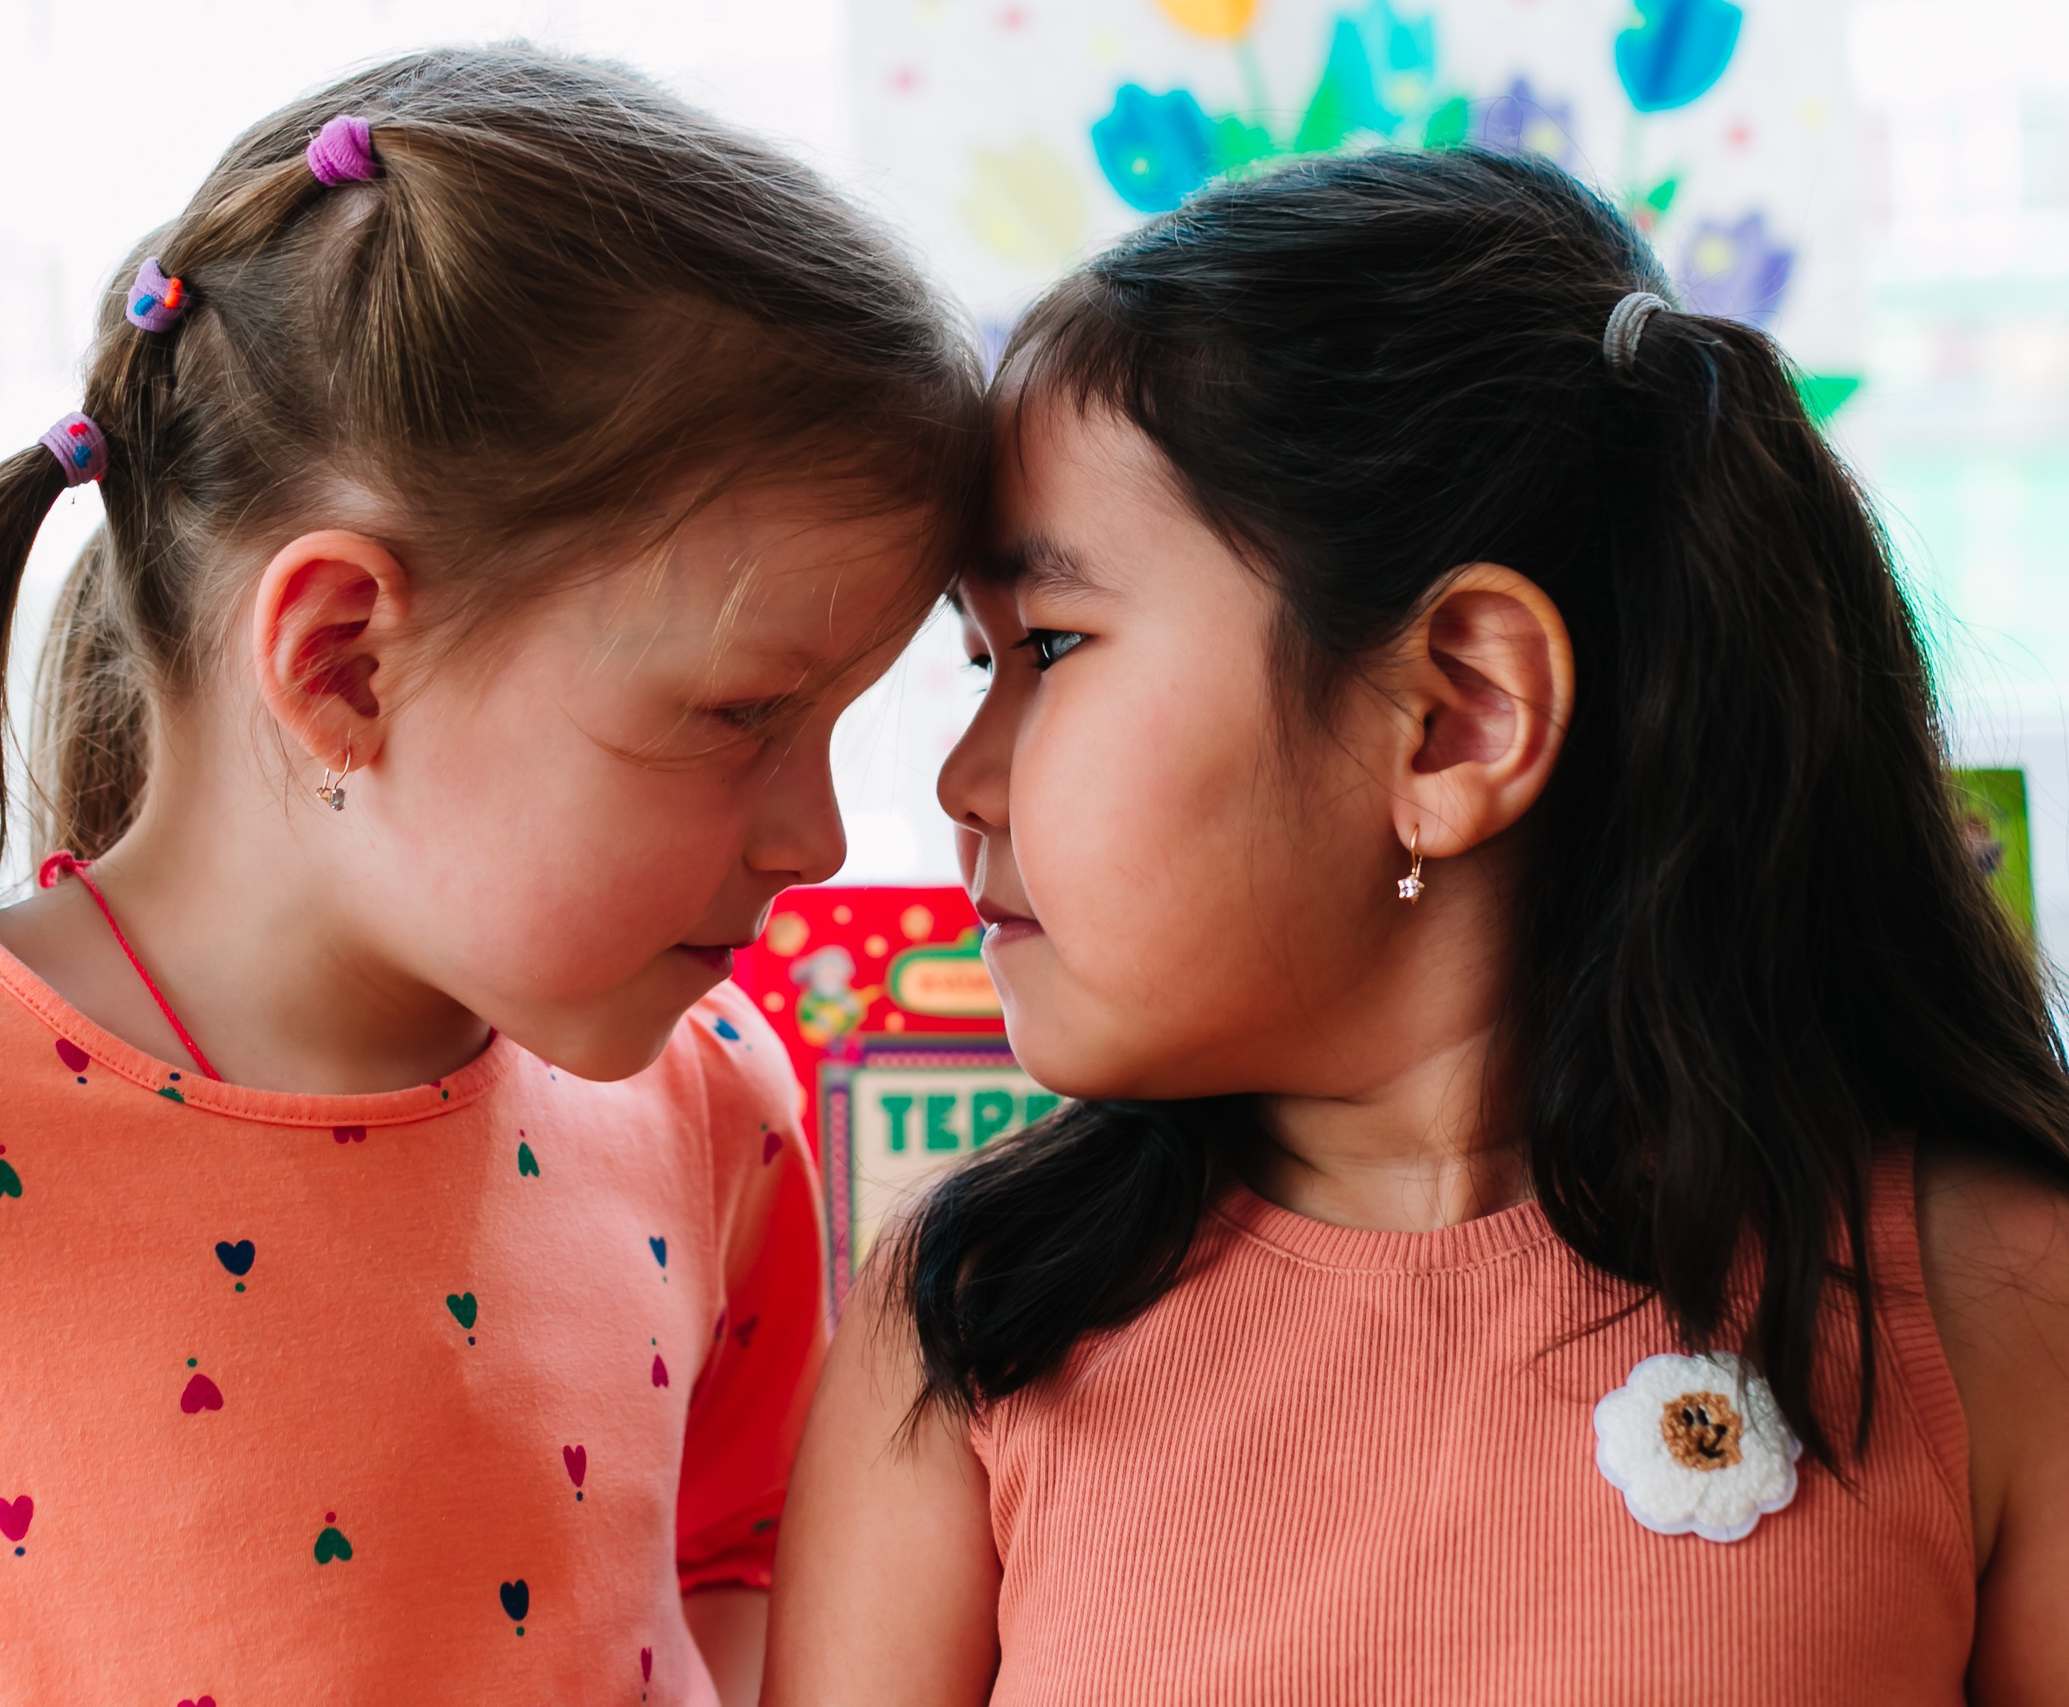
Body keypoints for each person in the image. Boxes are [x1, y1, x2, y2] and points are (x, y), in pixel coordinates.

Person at [0, 48, 981, 1707]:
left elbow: (737, 1568)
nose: (819, 839)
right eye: (744, 716)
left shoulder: (709, 1108)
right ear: (345, 659)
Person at [765, 150, 2069, 1705]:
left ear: (1456, 717)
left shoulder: (2007, 1307)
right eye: (981, 664)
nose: (961, 780)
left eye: (1047, 646)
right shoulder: (970, 1320)